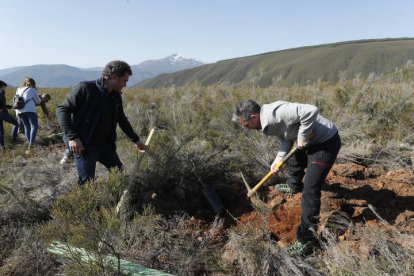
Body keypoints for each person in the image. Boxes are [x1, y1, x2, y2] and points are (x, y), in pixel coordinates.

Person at [234, 99, 341, 256]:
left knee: (310, 189)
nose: (247, 129)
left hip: (325, 143)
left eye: (247, 125)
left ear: (253, 116)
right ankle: (294, 185)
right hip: (309, 141)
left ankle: (307, 240)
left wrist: (303, 136)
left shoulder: (276, 114)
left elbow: (311, 110)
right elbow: (286, 137)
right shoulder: (267, 122)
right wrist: (279, 159)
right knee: (295, 160)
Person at [56, 60, 145, 185]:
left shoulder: (115, 96)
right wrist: (73, 137)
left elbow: (122, 120)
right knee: (87, 184)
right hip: (85, 145)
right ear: (114, 77)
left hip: (105, 144)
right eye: (125, 80)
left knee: (119, 173)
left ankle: (119, 200)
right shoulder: (85, 89)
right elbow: (62, 110)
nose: (125, 85)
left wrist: (136, 140)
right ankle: (87, 204)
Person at [13, 77, 42, 153]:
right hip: (30, 110)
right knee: (34, 126)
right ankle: (31, 144)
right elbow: (38, 101)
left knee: (26, 126)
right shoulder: (32, 89)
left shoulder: (18, 89)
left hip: (19, 111)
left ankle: (30, 143)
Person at [0, 81, 20, 151]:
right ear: (3, 86)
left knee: (1, 131)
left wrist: (7, 106)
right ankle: (14, 140)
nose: (6, 88)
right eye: (5, 86)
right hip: (1, 113)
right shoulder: (1, 91)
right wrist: (1, 108)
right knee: (15, 123)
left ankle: (2, 147)